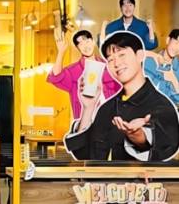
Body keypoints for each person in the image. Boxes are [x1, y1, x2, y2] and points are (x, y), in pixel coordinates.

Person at [64, 31, 179, 161]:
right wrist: (88, 108)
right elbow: (84, 156)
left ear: (140, 55)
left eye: (122, 55)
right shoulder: (106, 109)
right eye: (110, 59)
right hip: (101, 175)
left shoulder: (162, 106)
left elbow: (167, 146)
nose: (116, 63)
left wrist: (140, 137)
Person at [47, 29, 120, 119]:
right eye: (81, 44)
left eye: (87, 42)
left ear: (93, 42)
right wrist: (61, 52)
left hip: (111, 120)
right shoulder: (73, 71)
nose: (85, 46)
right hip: (86, 122)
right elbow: (56, 76)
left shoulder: (109, 66)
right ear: (77, 48)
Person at [144, 28, 179, 105]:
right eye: (176, 42)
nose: (177, 48)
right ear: (168, 40)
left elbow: (177, 100)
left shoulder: (177, 69)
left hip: (163, 109)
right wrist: (151, 54)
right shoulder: (148, 60)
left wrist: (173, 80)